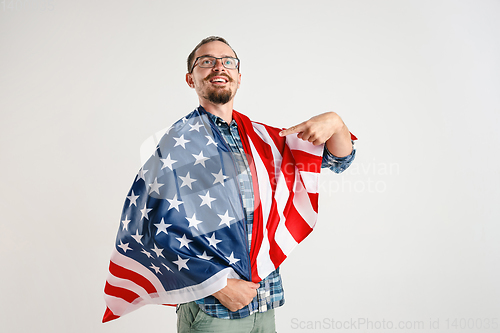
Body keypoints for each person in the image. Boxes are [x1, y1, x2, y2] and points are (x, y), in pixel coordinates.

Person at [174, 36, 356, 332]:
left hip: (265, 303)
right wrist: (218, 286)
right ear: (190, 79)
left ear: (239, 77)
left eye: (227, 61)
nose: (219, 66)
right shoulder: (176, 145)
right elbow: (155, 231)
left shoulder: (264, 140)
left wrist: (336, 122)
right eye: (206, 61)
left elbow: (339, 160)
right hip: (213, 310)